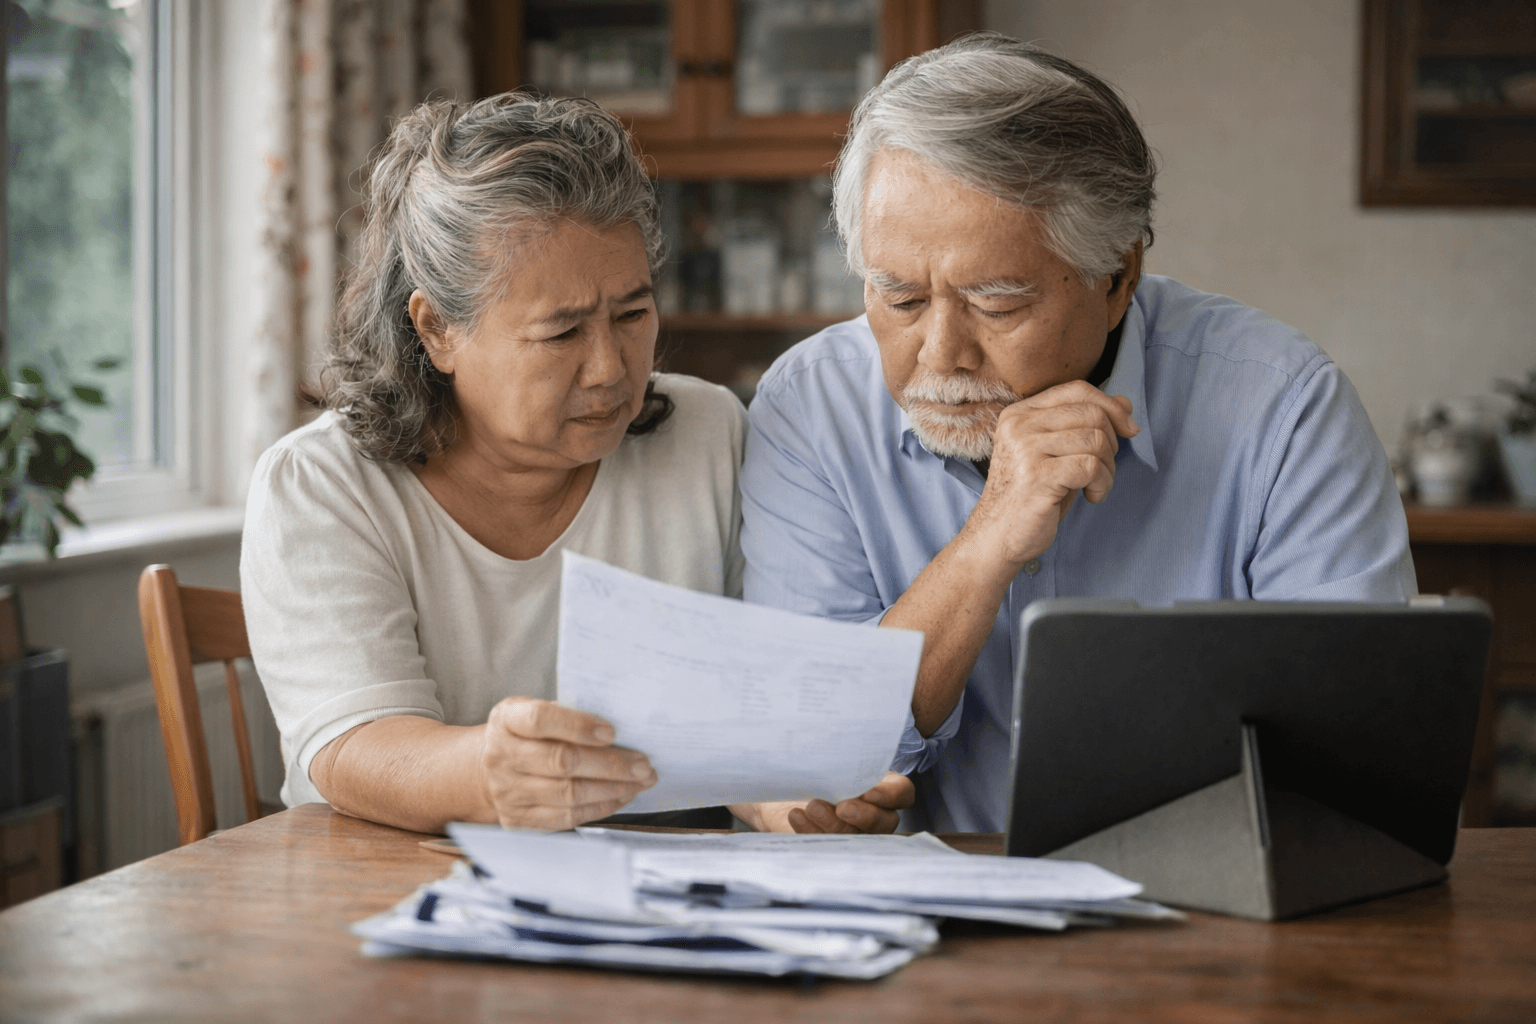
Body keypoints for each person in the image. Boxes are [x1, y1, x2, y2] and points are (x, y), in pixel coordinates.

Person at [739, 35, 1417, 833]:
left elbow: (1366, 758)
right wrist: (988, 541)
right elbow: (812, 757)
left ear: (1118, 277)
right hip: (929, 922)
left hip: (1210, 907)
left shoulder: (1282, 405)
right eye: (900, 299)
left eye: (996, 303)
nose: (941, 354)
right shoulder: (809, 405)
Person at [241, 94, 910, 835]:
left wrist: (783, 797)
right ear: (437, 331)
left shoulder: (707, 433)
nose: (608, 370)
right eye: (560, 334)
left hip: (665, 890)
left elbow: (747, 708)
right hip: (386, 886)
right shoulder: (321, 485)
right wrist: (498, 773)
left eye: (632, 316)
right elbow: (356, 746)